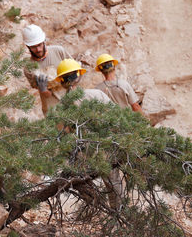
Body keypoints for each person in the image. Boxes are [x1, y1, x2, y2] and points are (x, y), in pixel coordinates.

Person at [54, 59, 122, 208]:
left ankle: (97, 207)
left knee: (79, 181)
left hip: (81, 154)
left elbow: (63, 133)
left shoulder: (61, 107)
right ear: (79, 76)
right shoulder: (96, 95)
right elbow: (116, 118)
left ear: (61, 81)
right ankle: (117, 213)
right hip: (104, 147)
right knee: (113, 183)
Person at [22, 23, 73, 114]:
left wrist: (73, 81)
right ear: (27, 46)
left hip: (72, 100)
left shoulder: (59, 51)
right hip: (53, 110)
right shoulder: (28, 67)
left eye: (39, 45)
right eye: (33, 47)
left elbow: (77, 72)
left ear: (44, 41)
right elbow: (47, 95)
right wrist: (43, 90)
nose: (38, 50)